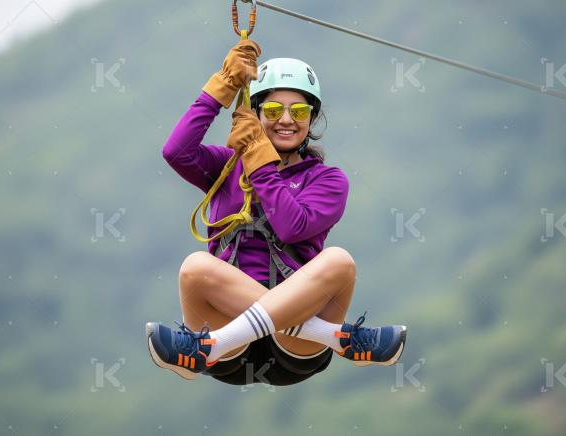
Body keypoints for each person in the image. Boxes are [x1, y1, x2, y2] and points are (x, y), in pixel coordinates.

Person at [146, 39, 407, 386]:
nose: (286, 120)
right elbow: (176, 151)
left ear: (311, 118)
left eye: (298, 112)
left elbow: (290, 227)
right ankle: (336, 337)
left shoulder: (328, 180)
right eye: (272, 111)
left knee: (339, 261)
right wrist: (223, 86)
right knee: (194, 268)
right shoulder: (227, 166)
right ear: (254, 114)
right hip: (230, 345)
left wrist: (258, 158)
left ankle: (203, 348)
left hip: (292, 351)